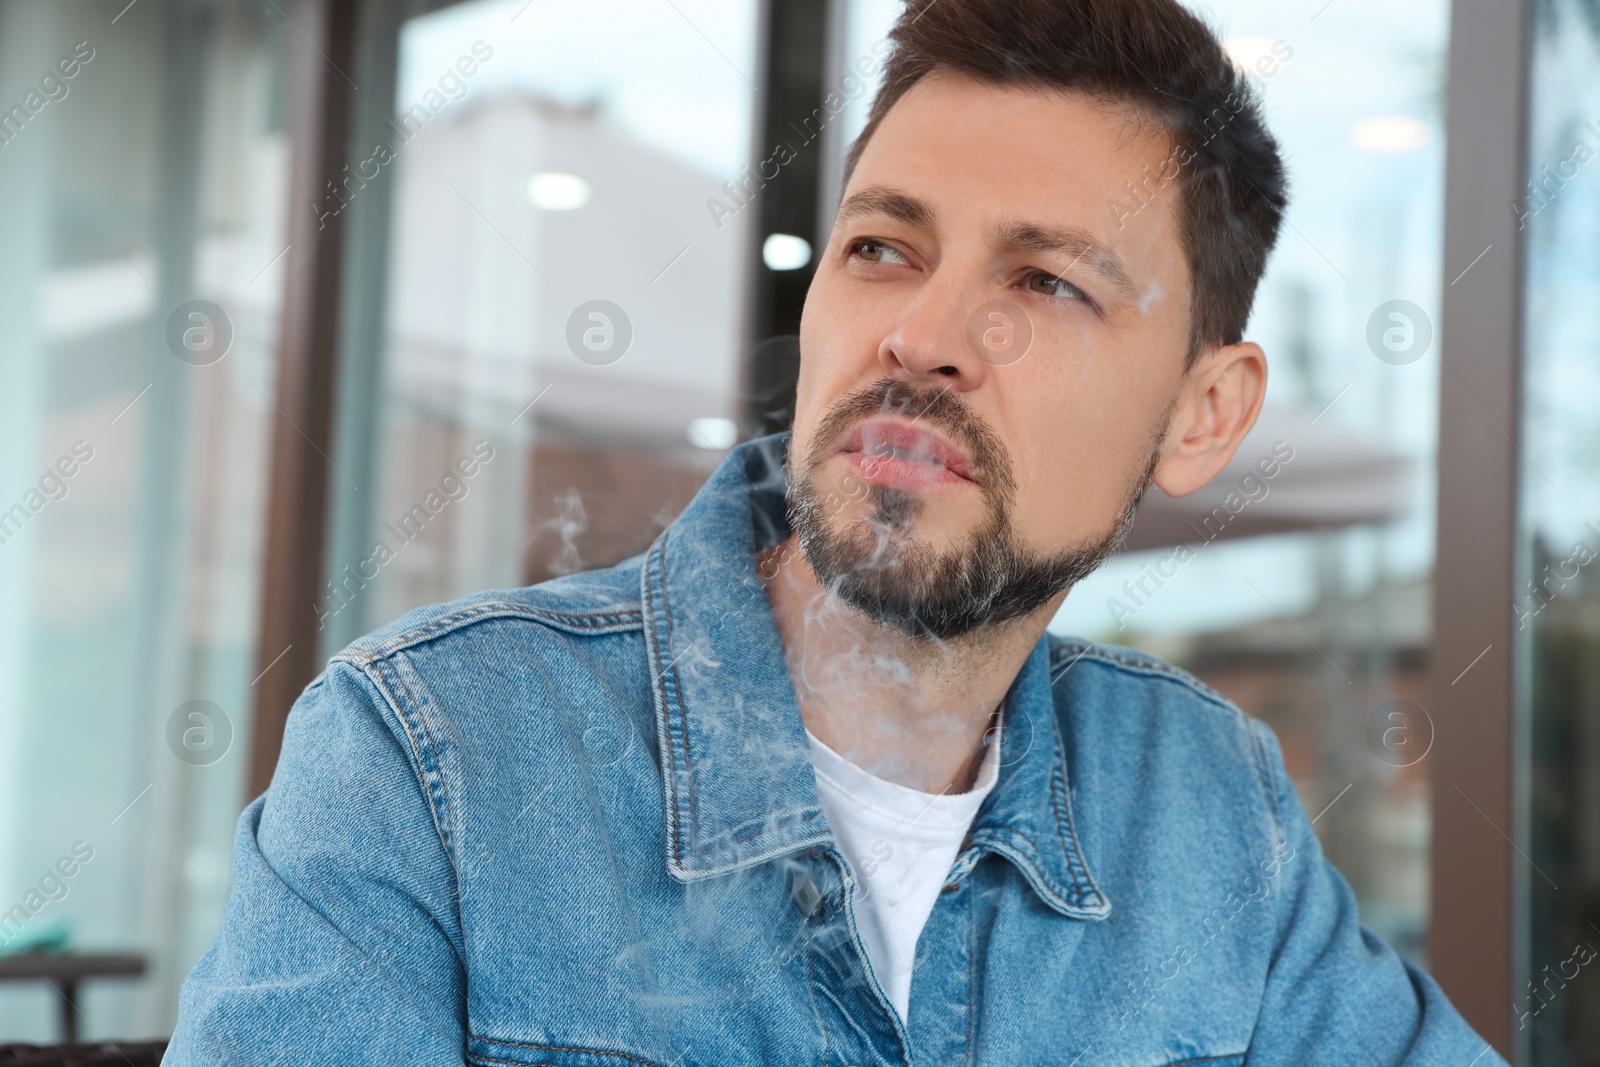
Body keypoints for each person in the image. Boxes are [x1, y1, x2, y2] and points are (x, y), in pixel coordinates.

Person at [166, 0, 1505, 1063]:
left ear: (1204, 415)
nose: (924, 336)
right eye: (882, 248)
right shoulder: (433, 757)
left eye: (1044, 281)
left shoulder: (1207, 807)